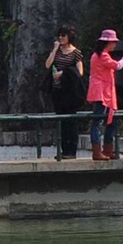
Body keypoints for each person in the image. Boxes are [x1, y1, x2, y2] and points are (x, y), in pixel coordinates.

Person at [85, 30, 123, 162]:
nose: (114, 45)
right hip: (101, 92)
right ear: (107, 43)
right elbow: (117, 66)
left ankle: (107, 149)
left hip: (105, 90)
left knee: (110, 120)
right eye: (113, 42)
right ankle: (98, 152)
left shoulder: (98, 55)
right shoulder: (102, 56)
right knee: (98, 121)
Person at [44, 29, 85, 160]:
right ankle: (63, 150)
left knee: (71, 121)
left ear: (69, 37)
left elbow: (80, 72)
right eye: (59, 36)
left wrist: (63, 73)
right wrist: (55, 49)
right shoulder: (57, 52)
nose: (61, 38)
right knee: (61, 121)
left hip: (70, 91)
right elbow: (48, 65)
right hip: (57, 90)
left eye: (63, 35)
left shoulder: (76, 53)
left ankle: (71, 150)